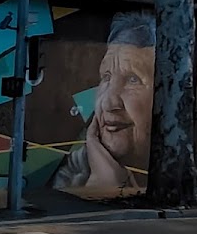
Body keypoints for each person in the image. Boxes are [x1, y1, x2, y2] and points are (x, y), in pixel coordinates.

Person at [53, 10, 156, 189]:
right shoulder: (77, 166)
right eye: (106, 77)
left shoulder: (177, 171)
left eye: (133, 79)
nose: (108, 103)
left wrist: (107, 183)